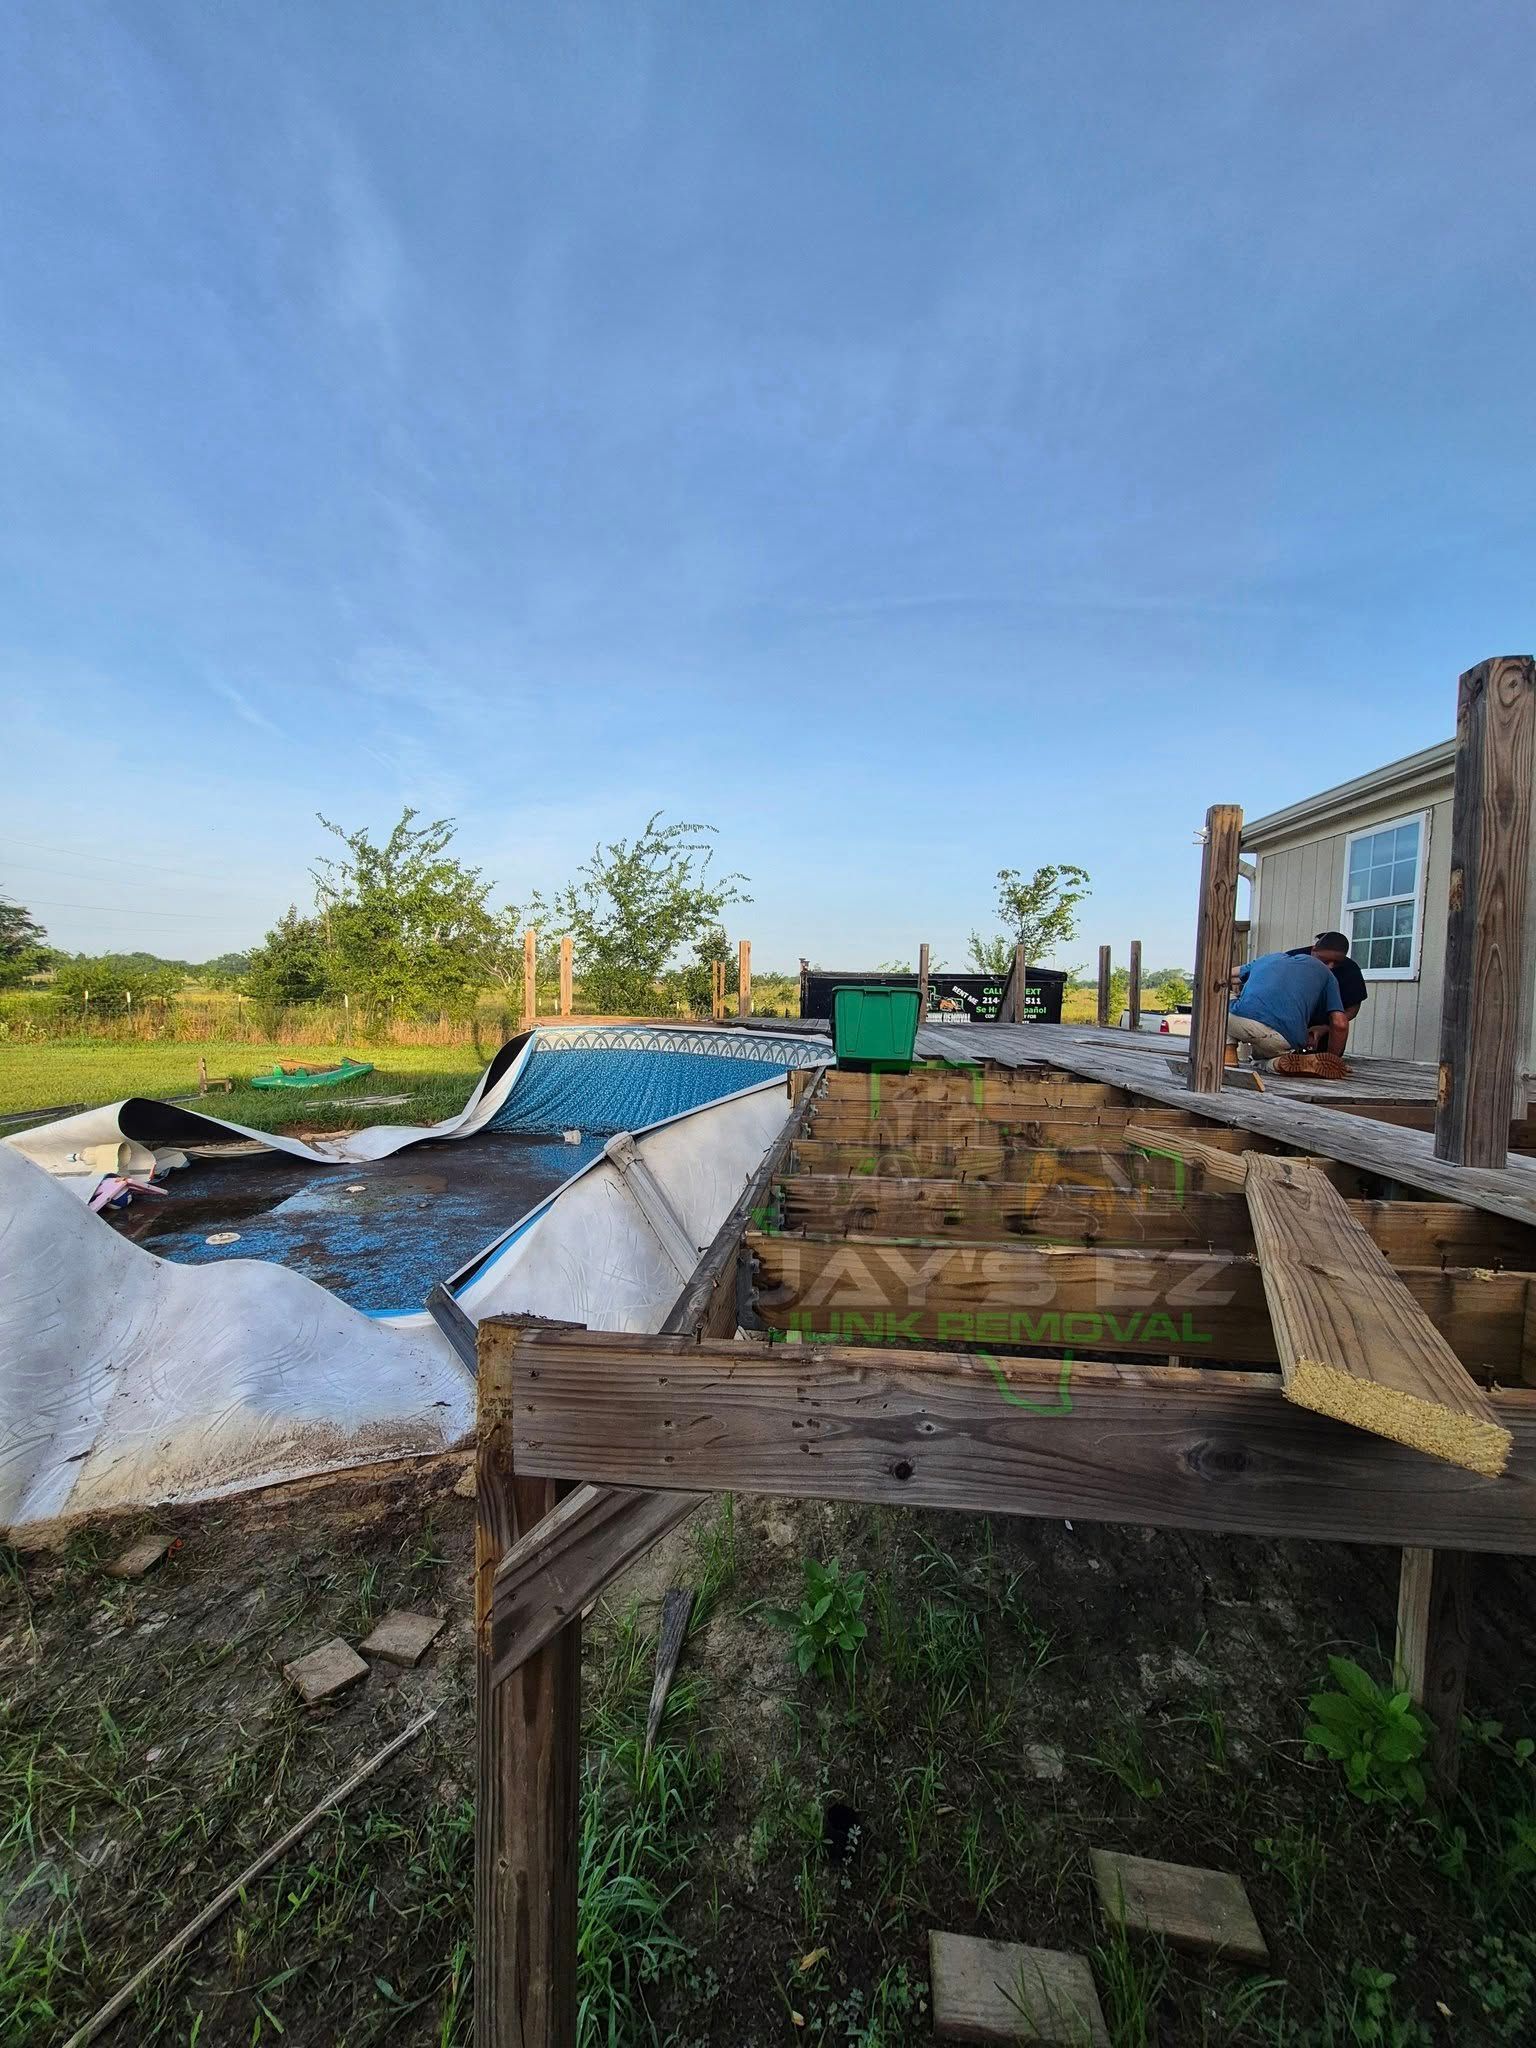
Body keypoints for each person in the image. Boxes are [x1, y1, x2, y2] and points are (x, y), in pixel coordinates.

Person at [1226, 948, 1348, 1068]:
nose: (1330, 966)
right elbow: (1340, 1024)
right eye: (1327, 961)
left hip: (1244, 1024)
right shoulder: (1328, 975)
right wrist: (1334, 1061)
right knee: (1260, 1058)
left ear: (1314, 950)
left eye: (1335, 963)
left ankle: (1228, 1051)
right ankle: (1275, 1064)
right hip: (1285, 1041)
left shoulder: (1266, 959)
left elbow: (1225, 974)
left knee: (1221, 998)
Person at [1286, 931, 1366, 1052]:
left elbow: (1352, 1008)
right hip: (1286, 1026)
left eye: (1337, 962)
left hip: (1325, 1029)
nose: (1330, 967)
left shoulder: (1351, 970)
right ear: (1314, 951)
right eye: (1324, 960)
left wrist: (1325, 1027)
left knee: (1323, 1064)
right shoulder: (1290, 961)